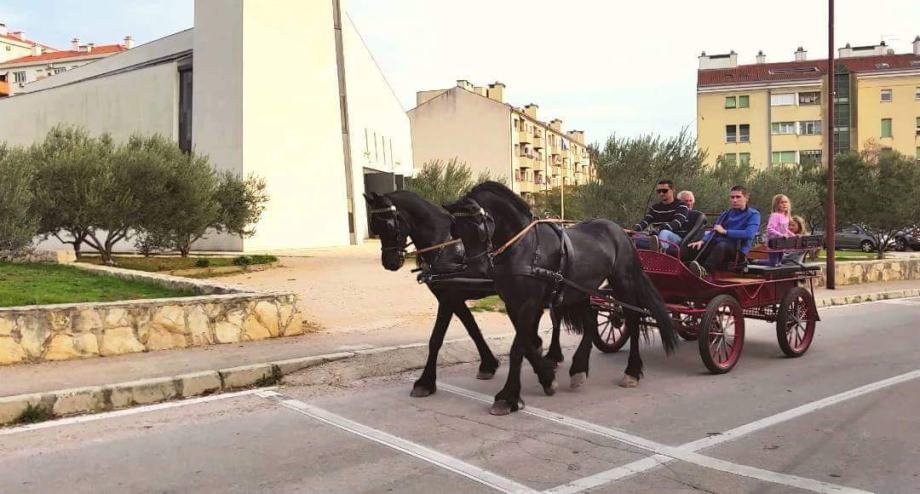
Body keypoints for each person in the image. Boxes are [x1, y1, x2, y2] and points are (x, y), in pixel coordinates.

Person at [687, 185, 761, 277]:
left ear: (746, 198)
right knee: (695, 245)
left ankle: (705, 271)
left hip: (737, 248)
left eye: (738, 197)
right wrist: (702, 241)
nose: (734, 200)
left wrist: (725, 232)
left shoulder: (753, 215)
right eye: (732, 197)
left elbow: (749, 234)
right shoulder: (726, 213)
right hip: (720, 243)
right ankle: (688, 267)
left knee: (721, 246)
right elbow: (715, 230)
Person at [633, 180, 690, 252]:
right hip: (657, 237)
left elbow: (677, 223)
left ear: (672, 190)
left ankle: (661, 255)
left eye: (664, 191)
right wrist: (634, 230)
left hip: (676, 238)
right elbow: (645, 221)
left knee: (664, 233)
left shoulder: (681, 206)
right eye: (659, 191)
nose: (661, 193)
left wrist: (658, 229)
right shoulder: (655, 208)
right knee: (635, 237)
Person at [766, 194, 794, 266]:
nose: (784, 204)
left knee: (779, 263)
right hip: (774, 243)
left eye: (786, 202)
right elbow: (770, 229)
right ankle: (754, 262)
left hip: (782, 243)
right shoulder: (775, 215)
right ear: (776, 205)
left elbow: (785, 230)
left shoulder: (786, 216)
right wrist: (781, 235)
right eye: (782, 202)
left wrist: (794, 235)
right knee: (773, 263)